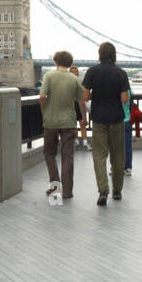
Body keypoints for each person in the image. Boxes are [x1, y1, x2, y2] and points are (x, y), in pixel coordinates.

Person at [81, 42, 130, 206]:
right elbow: (124, 99)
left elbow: (85, 97)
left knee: (99, 156)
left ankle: (103, 191)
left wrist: (97, 94)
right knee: (118, 156)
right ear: (114, 54)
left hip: (99, 118)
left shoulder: (92, 72)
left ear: (100, 54)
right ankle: (117, 191)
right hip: (117, 118)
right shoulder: (121, 73)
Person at [39, 50, 83, 200]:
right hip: (69, 121)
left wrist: (44, 111)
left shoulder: (49, 76)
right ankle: (67, 192)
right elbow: (80, 98)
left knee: (49, 153)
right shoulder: (74, 78)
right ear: (69, 62)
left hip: (50, 121)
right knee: (67, 156)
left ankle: (55, 185)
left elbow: (42, 96)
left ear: (56, 61)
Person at [69, 64, 89, 150]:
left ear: (78, 72)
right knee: (73, 124)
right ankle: (76, 142)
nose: (74, 73)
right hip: (72, 104)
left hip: (79, 104)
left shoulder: (81, 82)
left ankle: (84, 142)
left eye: (75, 71)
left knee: (82, 124)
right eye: (72, 71)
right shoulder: (68, 82)